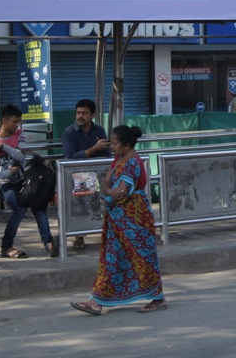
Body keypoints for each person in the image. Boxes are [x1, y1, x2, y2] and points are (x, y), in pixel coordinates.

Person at [70, 125, 167, 315]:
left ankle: (158, 298)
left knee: (142, 258)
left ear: (126, 144)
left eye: (114, 143)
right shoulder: (119, 160)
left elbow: (121, 192)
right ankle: (97, 300)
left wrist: (111, 192)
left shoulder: (131, 163)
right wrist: (110, 192)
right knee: (111, 258)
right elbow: (106, 185)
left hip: (134, 218)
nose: (111, 147)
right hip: (118, 218)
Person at [0, 104, 58, 258]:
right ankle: (6, 246)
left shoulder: (19, 134)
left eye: (19, 122)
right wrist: (5, 172)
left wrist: (4, 147)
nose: (17, 125)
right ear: (5, 121)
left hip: (25, 180)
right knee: (19, 208)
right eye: (14, 122)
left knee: (39, 206)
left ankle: (49, 243)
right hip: (6, 184)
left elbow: (21, 156)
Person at [61, 99, 111, 250]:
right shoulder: (69, 132)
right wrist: (93, 149)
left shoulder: (99, 131)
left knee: (107, 199)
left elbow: (106, 154)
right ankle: (79, 236)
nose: (80, 116)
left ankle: (108, 233)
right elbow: (69, 158)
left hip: (97, 172)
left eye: (84, 113)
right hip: (78, 175)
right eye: (78, 113)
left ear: (93, 115)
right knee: (82, 201)